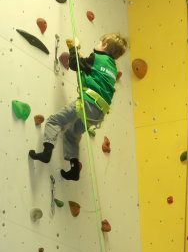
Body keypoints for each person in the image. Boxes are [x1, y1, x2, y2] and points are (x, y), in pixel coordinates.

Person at [28, 33, 127, 180]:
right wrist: (79, 55)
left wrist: (73, 48)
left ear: (105, 45)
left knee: (54, 121)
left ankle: (46, 152)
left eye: (99, 42)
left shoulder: (96, 58)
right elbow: (90, 69)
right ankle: (74, 170)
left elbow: (75, 64)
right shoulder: (112, 68)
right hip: (98, 114)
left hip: (87, 104)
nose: (97, 44)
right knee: (71, 135)